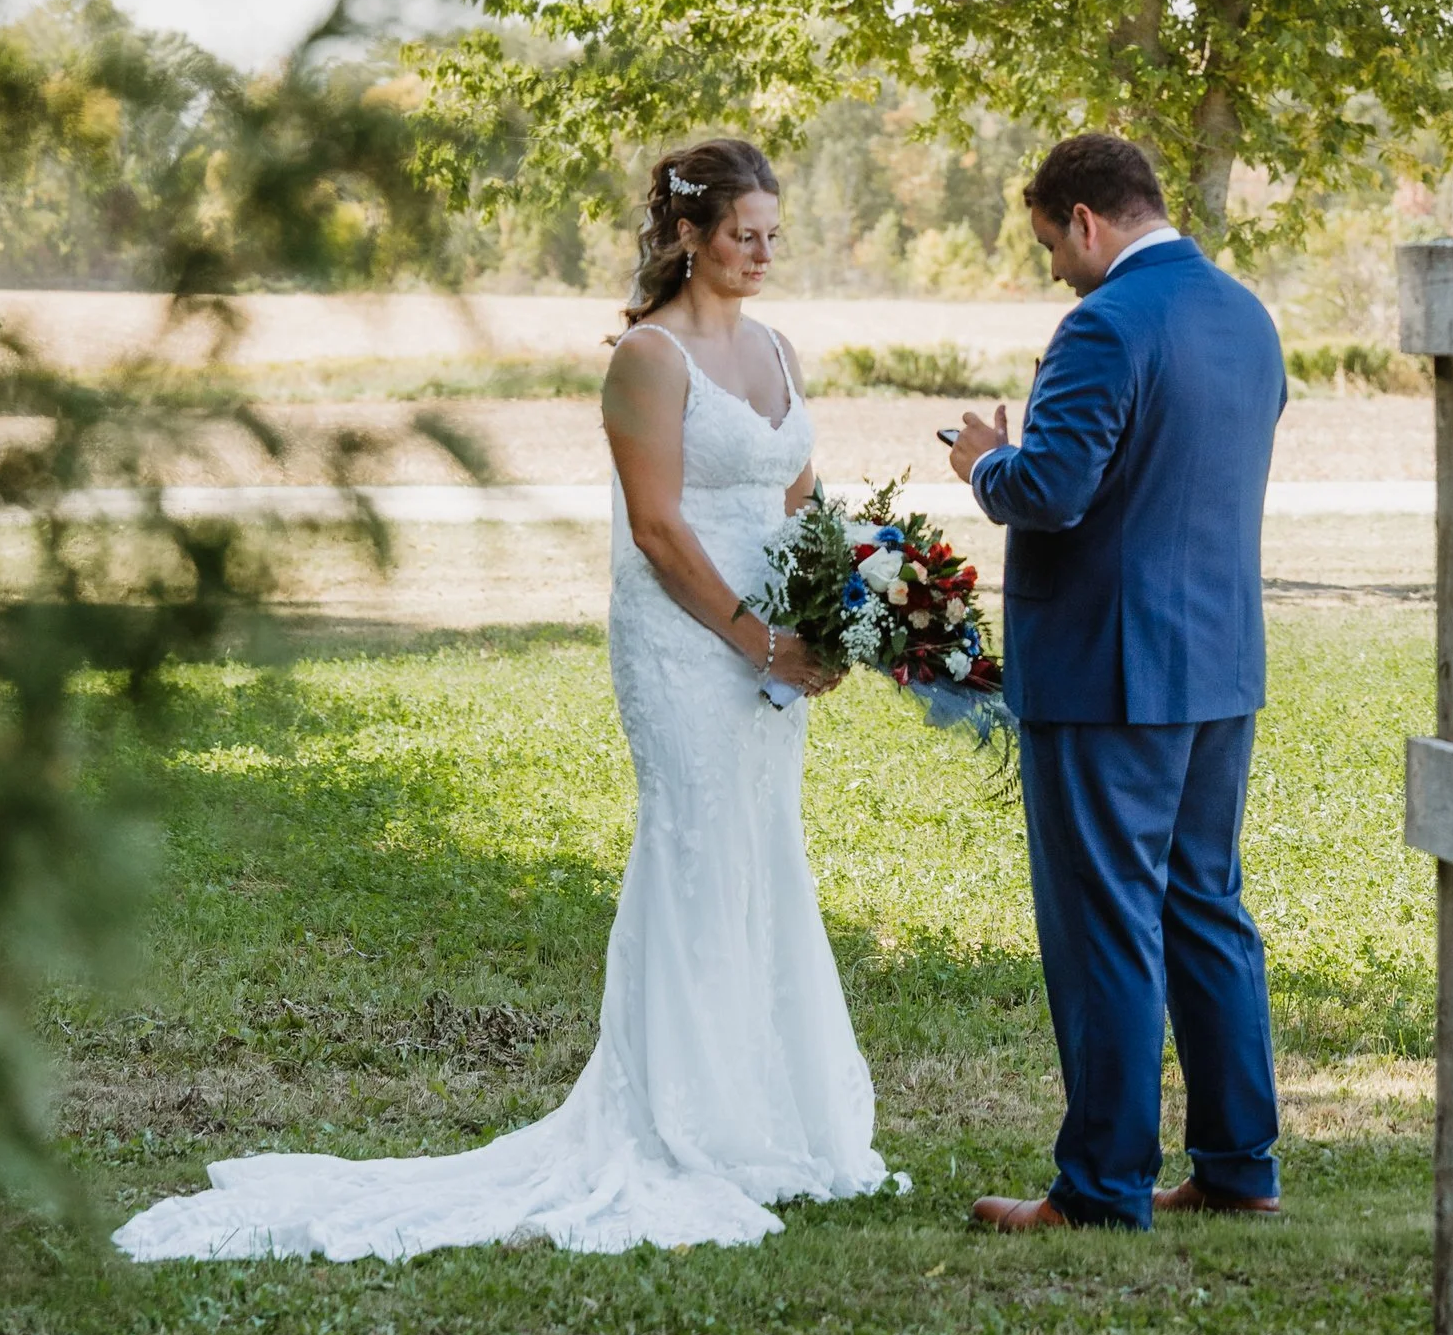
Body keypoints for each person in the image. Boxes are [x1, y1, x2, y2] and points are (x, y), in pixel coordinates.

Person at [110, 133, 887, 1263]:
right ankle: (685, 1125)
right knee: (695, 850)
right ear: (685, 233)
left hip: (774, 652)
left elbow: (802, 494)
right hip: (689, 645)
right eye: (741, 236)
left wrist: (846, 598)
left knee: (764, 850)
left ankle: (773, 1116)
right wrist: (755, 638)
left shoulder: (775, 348)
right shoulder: (647, 360)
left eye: (773, 236)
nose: (762, 255)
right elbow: (660, 529)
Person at [949, 131, 1286, 1235]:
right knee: (1204, 909)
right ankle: (1237, 1164)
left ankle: (1099, 1187)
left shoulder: (1102, 324)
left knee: (1104, 928)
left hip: (1104, 672)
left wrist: (981, 463)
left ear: (1086, 220)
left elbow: (1050, 490)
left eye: (1051, 242)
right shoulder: (1245, 314)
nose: (1053, 266)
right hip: (1217, 663)